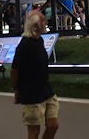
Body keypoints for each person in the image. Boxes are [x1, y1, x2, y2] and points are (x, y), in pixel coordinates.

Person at [11, 11, 59, 139]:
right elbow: (14, 69)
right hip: (31, 93)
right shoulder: (24, 45)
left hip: (46, 90)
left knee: (53, 125)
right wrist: (16, 90)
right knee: (34, 131)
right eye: (43, 21)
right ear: (35, 25)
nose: (46, 23)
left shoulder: (40, 41)